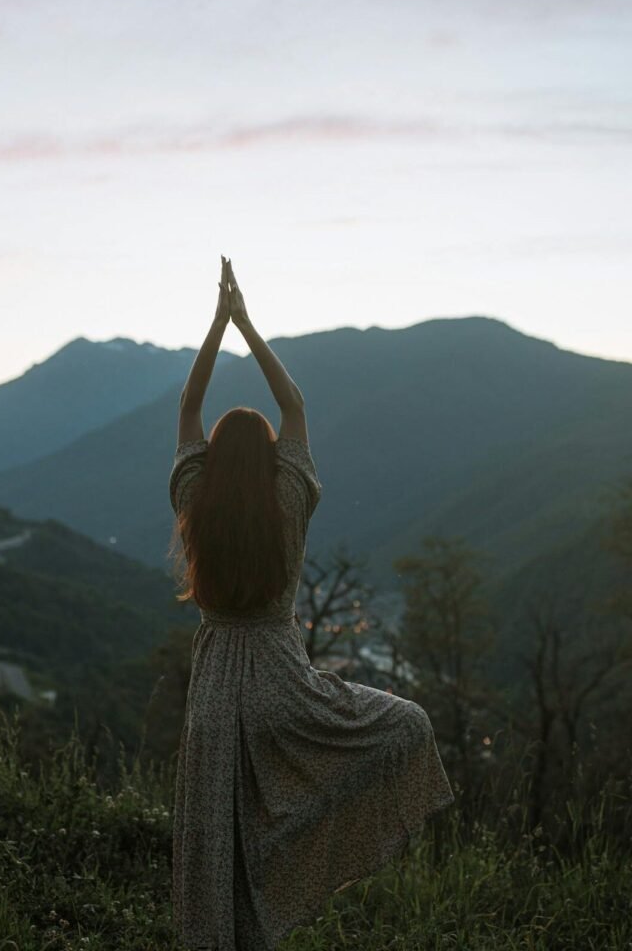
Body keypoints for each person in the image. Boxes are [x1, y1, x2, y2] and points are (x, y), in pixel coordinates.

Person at [167, 256, 454, 951]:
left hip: (215, 689)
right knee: (406, 722)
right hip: (278, 679)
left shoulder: (194, 501)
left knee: (215, 836)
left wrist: (215, 326)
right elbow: (294, 404)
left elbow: (187, 409)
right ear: (270, 459)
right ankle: (280, 897)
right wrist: (247, 323)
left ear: (211, 465)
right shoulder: (289, 498)